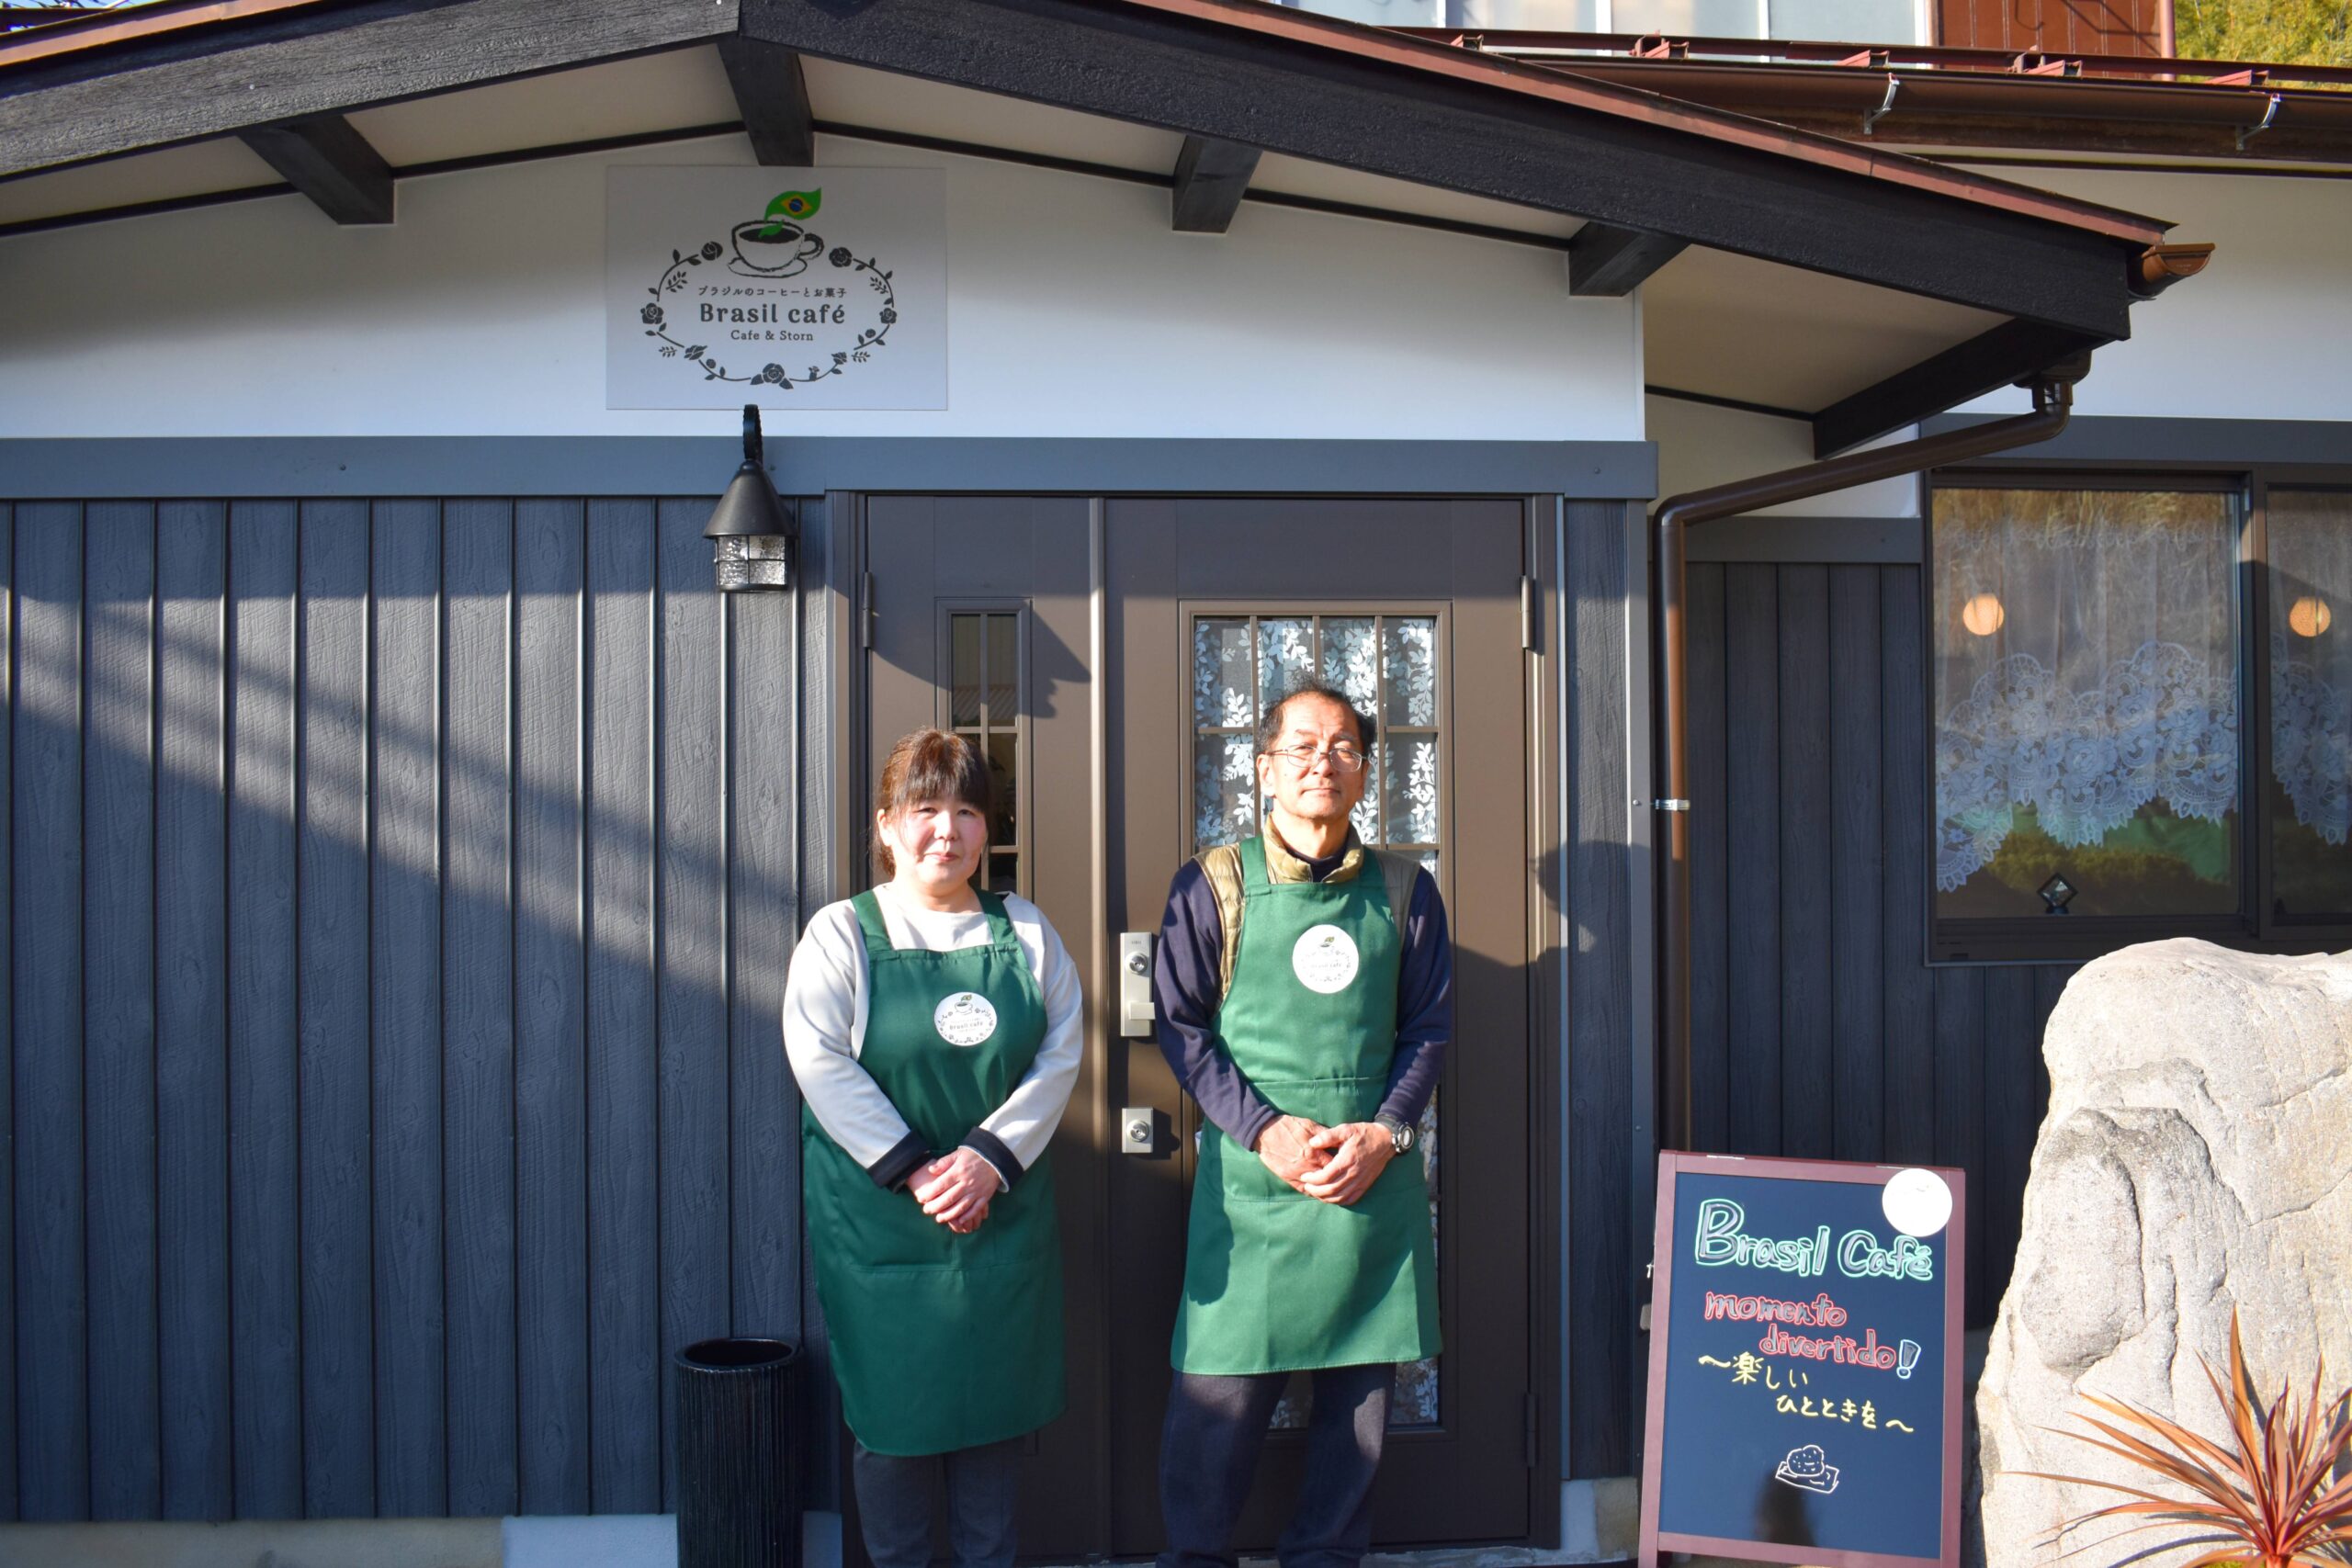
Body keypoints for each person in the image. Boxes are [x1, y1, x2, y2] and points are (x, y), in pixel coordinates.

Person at [1151, 682, 1451, 1568]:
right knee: (1214, 1407)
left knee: (1357, 1414)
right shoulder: (1216, 883)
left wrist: (1386, 1131)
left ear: (1365, 773)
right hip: (1254, 1191)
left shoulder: (1406, 889)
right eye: (1303, 746)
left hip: (1370, 1183)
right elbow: (1182, 1025)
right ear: (1265, 768)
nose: (1324, 761)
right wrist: (1264, 1129)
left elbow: (1428, 1030)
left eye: (1344, 748)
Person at [783, 728, 1082, 1568]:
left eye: (966, 811)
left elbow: (1063, 1049)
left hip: (1001, 1215)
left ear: (987, 829)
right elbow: (818, 1058)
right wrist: (917, 1167)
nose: (945, 830)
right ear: (887, 826)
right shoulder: (841, 934)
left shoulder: (1023, 931)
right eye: (924, 810)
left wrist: (989, 1159)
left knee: (992, 1412)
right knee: (895, 1419)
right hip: (883, 1228)